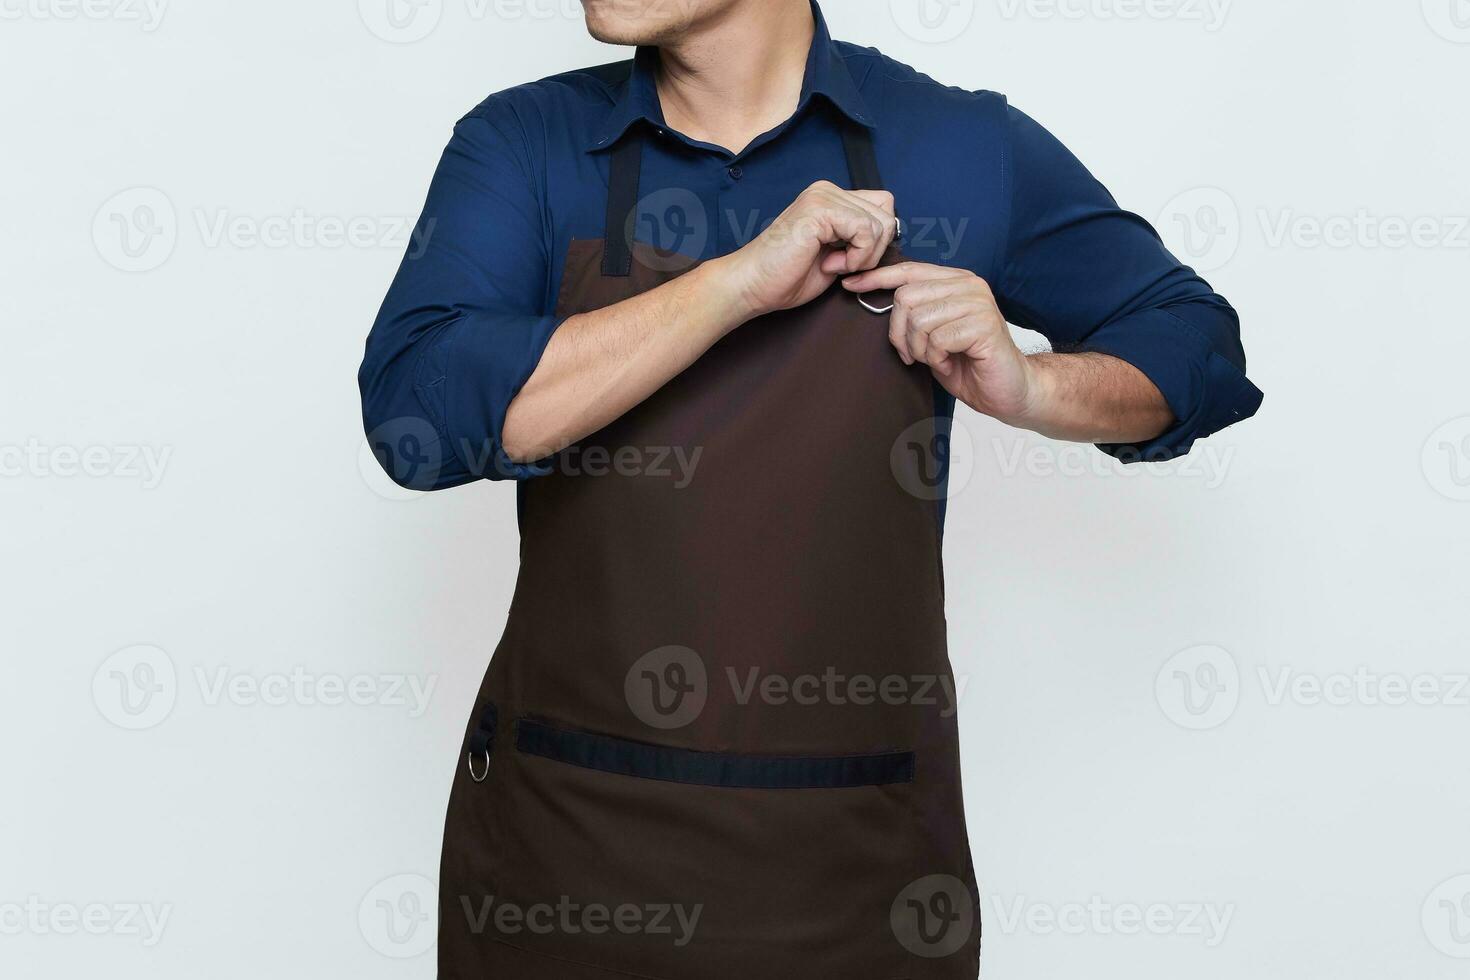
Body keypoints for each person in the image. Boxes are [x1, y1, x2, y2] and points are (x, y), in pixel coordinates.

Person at [358, 1, 1262, 976]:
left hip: (854, 884)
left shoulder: (953, 148)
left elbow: (1198, 347)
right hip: (564, 865)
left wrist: (1036, 384)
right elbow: (418, 413)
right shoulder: (526, 144)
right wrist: (739, 281)